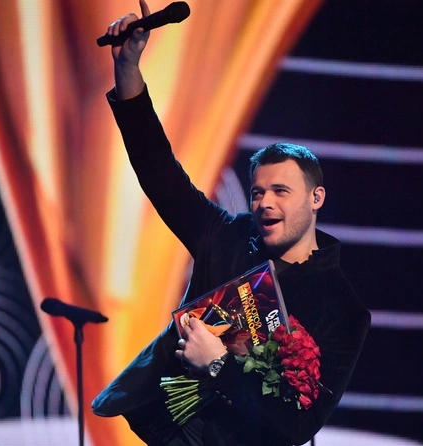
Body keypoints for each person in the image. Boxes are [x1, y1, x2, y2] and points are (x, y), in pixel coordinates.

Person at [91, 2, 370, 445]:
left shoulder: (344, 310)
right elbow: (161, 175)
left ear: (316, 198)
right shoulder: (228, 238)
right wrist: (127, 71)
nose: (265, 203)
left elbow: (299, 425)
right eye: (257, 192)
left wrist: (218, 364)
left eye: (281, 191)